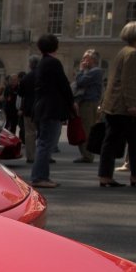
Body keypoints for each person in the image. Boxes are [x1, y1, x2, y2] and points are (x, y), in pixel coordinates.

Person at [97, 21, 136, 187]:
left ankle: (106, 175)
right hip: (124, 107)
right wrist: (132, 104)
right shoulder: (132, 54)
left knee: (113, 140)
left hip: (114, 104)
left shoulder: (123, 52)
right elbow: (128, 81)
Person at [30, 34, 76, 188]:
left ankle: (40, 176)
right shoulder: (53, 63)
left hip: (42, 108)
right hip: (51, 108)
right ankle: (39, 177)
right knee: (46, 143)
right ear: (56, 47)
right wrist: (72, 103)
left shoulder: (43, 63)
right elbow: (64, 85)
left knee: (44, 142)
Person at [72, 49, 104, 163]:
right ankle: (85, 153)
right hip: (85, 102)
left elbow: (80, 82)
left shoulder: (95, 71)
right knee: (84, 128)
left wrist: (81, 70)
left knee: (86, 128)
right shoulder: (90, 71)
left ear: (93, 59)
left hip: (89, 103)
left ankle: (87, 155)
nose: (83, 60)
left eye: (86, 58)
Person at [17, 57, 39, 163]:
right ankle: (44, 156)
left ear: (30, 65)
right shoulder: (45, 76)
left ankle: (31, 156)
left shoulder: (27, 77)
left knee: (30, 133)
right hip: (43, 107)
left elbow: (20, 93)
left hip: (29, 107)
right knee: (43, 133)